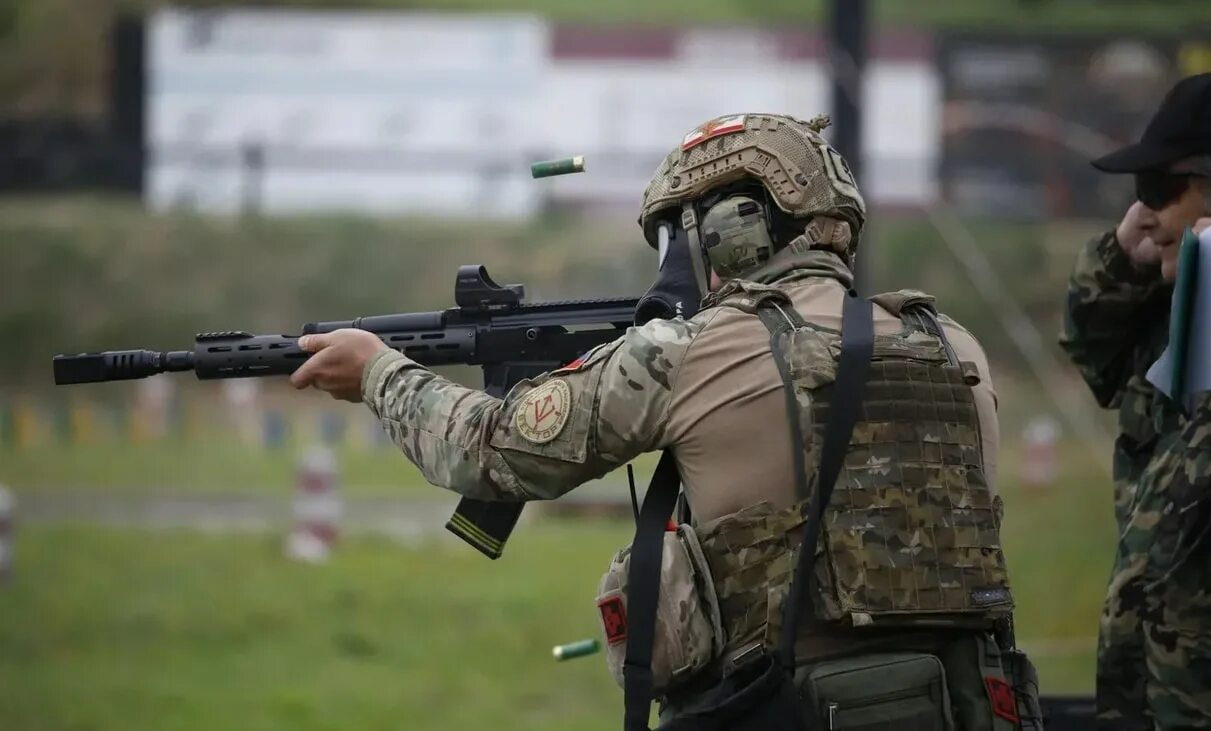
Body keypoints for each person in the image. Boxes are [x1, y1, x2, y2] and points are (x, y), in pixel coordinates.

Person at [291, 113, 1031, 729]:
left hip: (789, 707)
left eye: (679, 236)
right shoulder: (949, 339)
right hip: (969, 702)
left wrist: (380, 373)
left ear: (731, 229)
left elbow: (490, 451)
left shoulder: (686, 352)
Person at [1059, 72, 1211, 729]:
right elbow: (1095, 352)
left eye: (1157, 188)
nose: (1143, 212)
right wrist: (1123, 257)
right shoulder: (1176, 312)